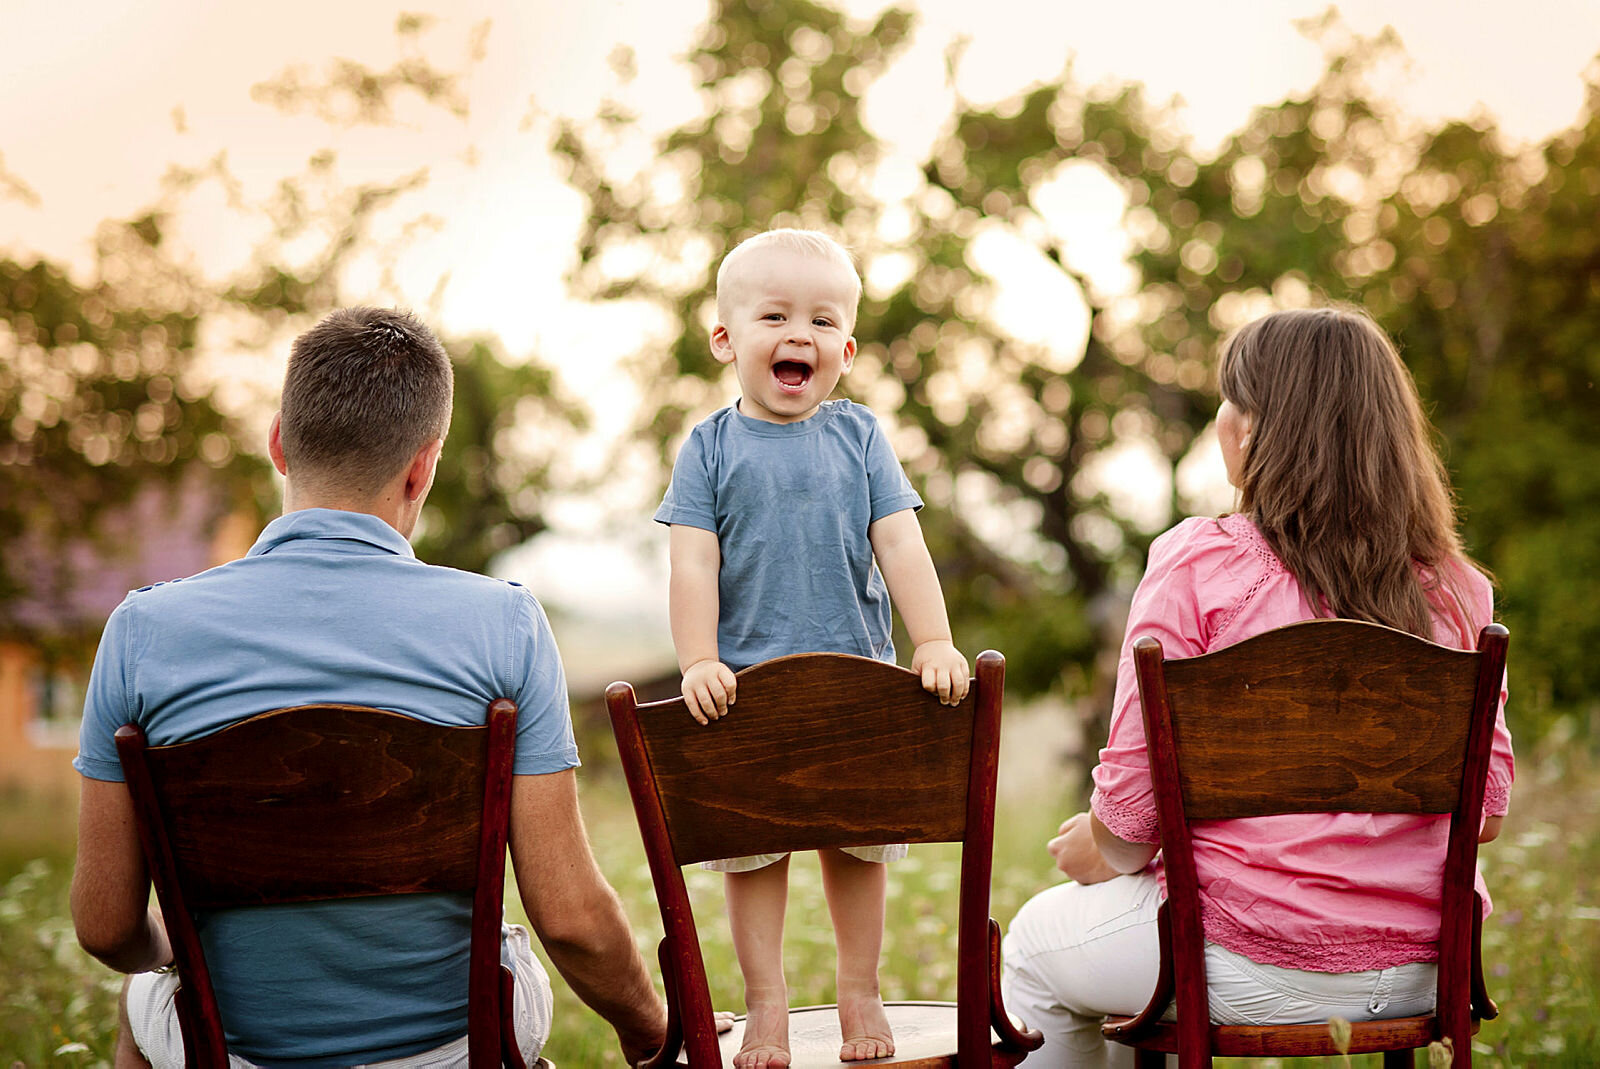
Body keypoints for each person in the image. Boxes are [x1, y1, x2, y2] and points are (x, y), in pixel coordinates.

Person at [71, 307, 668, 1068]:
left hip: (240, 1053)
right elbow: (571, 918)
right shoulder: (506, 624)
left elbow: (104, 924)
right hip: (451, 1049)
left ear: (279, 443)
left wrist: (170, 947)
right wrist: (653, 1032)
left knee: (144, 1000)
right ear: (423, 467)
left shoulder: (141, 632)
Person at [1000, 306, 1516, 1068]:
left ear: (1253, 430)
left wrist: (1102, 849)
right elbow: (1489, 814)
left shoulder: (1199, 567)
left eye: (1228, 399)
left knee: (1034, 948)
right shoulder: (1458, 591)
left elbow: (1132, 820)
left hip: (1246, 954)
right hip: (1426, 964)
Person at [655, 228, 969, 1069]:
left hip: (855, 680)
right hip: (748, 687)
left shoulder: (860, 435)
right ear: (726, 339)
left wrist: (934, 640)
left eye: (823, 321)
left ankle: (860, 987)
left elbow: (900, 544)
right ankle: (767, 1002)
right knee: (753, 852)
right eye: (776, 316)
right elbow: (693, 561)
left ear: (847, 351)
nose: (801, 334)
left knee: (857, 843)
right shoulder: (709, 447)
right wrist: (698, 658)